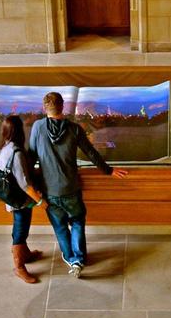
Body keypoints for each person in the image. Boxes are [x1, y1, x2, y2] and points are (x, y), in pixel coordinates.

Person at [29, 92, 128, 278]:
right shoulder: (74, 128)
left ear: (45, 108)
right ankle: (79, 259)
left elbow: (31, 156)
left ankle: (70, 258)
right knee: (77, 222)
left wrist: (31, 185)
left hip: (49, 189)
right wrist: (109, 170)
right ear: (63, 107)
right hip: (71, 187)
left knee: (59, 226)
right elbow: (91, 153)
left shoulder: (37, 127)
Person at [0, 115, 47, 284]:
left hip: (13, 197)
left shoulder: (6, 147)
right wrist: (40, 201)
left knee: (21, 226)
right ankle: (19, 267)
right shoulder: (16, 152)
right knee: (20, 230)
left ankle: (24, 254)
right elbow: (24, 184)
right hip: (20, 200)